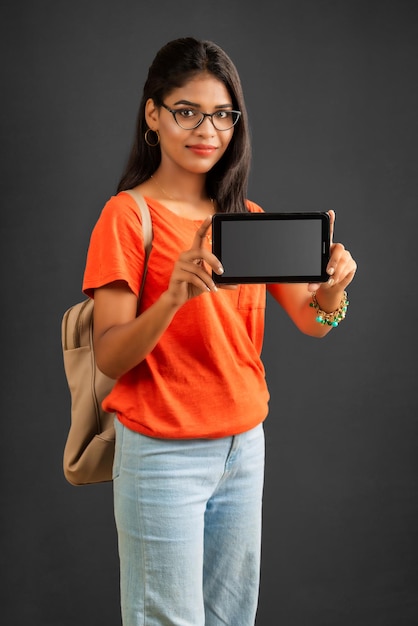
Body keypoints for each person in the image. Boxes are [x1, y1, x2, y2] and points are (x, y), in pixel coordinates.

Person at [82, 37, 357, 626]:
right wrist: (175, 295)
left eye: (223, 114)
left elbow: (313, 321)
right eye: (187, 110)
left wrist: (333, 290)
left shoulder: (247, 219)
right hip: (161, 453)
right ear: (153, 114)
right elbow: (109, 357)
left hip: (243, 446)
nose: (207, 129)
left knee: (233, 619)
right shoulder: (128, 216)